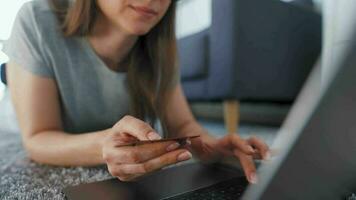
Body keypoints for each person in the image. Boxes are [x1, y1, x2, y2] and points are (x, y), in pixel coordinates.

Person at [3, 0, 270, 183]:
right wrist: (102, 146)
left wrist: (211, 145)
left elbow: (181, 124)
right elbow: (37, 138)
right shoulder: (37, 19)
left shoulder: (161, 46)